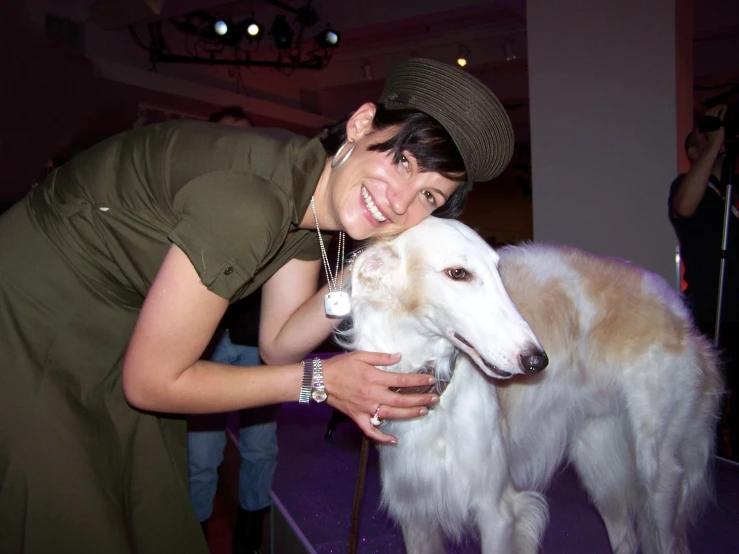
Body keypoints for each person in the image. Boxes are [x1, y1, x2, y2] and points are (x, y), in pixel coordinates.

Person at [0, 58, 514, 554]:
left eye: (429, 196)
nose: (401, 202)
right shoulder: (253, 206)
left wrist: (361, 279)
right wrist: (323, 383)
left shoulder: (313, 201)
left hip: (117, 315)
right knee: (71, 509)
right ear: (361, 124)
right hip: (34, 305)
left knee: (144, 500)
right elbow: (151, 383)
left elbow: (277, 344)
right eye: (402, 160)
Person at [188, 106, 275, 554]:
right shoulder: (195, 197)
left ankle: (249, 544)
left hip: (260, 341)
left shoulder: (272, 198)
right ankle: (198, 538)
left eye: (249, 137)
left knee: (260, 452)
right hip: (206, 343)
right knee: (202, 458)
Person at [668, 103, 739, 460]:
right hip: (713, 309)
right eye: (705, 139)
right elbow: (685, 207)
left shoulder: (731, 192)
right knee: (710, 402)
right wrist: (712, 147)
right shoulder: (687, 185)